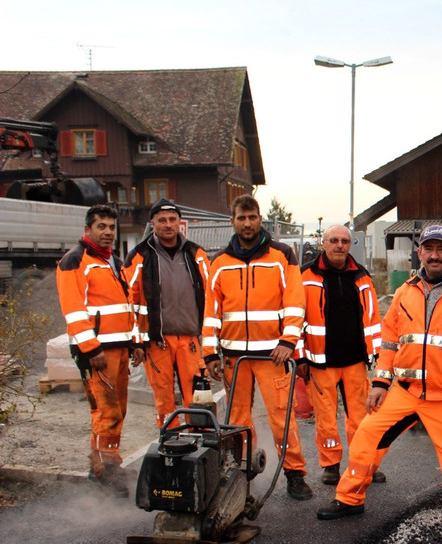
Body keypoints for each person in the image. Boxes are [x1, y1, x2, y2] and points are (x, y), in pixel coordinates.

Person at [317, 225, 442, 544]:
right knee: (366, 440)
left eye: (441, 249)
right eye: (428, 248)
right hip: (405, 391)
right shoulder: (405, 292)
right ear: (420, 253)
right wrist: (381, 382)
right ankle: (349, 499)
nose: (434, 255)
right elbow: (390, 343)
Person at [201, 195, 313, 501]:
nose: (247, 223)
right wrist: (210, 352)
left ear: (260, 218)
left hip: (272, 356)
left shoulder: (282, 255)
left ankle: (294, 473)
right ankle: (241, 473)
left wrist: (288, 341)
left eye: (252, 217)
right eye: (241, 218)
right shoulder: (220, 263)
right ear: (232, 220)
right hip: (234, 357)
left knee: (281, 416)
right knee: (237, 418)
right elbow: (211, 311)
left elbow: (294, 301)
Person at [295, 224, 387, 486]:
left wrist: (376, 353)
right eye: (333, 240)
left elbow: (373, 319)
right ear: (323, 243)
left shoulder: (361, 276)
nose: (339, 245)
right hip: (320, 361)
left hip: (355, 360)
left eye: (344, 241)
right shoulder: (306, 276)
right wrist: (300, 357)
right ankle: (331, 465)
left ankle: (362, 463)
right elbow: (295, 320)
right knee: (325, 418)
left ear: (350, 245)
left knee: (361, 417)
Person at [56, 204, 137, 496]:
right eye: (101, 226)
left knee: (118, 410)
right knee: (107, 412)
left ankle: (104, 466)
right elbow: (74, 309)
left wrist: (133, 342)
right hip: (97, 351)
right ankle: (107, 473)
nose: (108, 232)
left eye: (111, 227)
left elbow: (125, 305)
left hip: (119, 346)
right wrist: (91, 349)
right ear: (88, 228)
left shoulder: (112, 260)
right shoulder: (75, 261)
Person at [124, 199, 209, 429]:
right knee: (164, 398)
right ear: (152, 224)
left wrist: (211, 339)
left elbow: (212, 297)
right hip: (156, 343)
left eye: (172, 220)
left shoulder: (196, 254)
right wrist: (137, 342)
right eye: (162, 220)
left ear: (180, 223)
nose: (168, 225)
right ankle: (170, 442)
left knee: (197, 396)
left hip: (191, 341)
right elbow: (128, 302)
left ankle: (198, 440)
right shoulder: (139, 256)